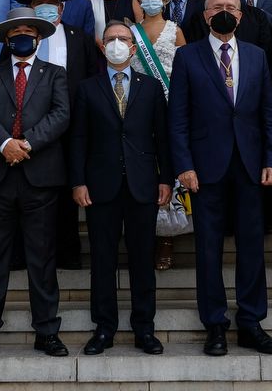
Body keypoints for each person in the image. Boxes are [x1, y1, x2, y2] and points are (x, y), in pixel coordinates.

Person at [169, 0, 272, 357]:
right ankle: (215, 324)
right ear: (205, 16)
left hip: (250, 165)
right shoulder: (187, 57)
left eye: (230, 7)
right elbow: (178, 118)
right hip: (204, 168)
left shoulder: (256, 55)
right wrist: (183, 165)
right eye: (217, 7)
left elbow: (268, 112)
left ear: (240, 15)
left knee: (252, 247)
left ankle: (251, 322)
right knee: (208, 249)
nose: (224, 12)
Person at [0, 7, 71, 358]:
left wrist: (26, 143)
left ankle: (46, 331)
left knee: (41, 257)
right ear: (7, 39)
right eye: (16, 33)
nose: (22, 37)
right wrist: (4, 144)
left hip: (39, 177)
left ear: (38, 38)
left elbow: (61, 114)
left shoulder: (55, 74)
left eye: (28, 32)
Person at [69, 21, 173, 356]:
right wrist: (78, 181)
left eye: (123, 39)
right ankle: (104, 328)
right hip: (101, 186)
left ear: (133, 47)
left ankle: (145, 328)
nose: (117, 43)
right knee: (102, 260)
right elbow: (79, 139)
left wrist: (165, 179)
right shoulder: (87, 88)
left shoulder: (151, 87)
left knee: (142, 260)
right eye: (111, 38)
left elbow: (163, 138)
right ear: (104, 46)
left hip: (142, 185)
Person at [10, 0, 99, 270]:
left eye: (52, 4)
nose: (46, 9)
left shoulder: (80, 38)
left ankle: (68, 253)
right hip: (25, 130)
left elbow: (89, 80)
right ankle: (21, 253)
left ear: (61, 9)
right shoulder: (19, 40)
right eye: (39, 5)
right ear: (32, 9)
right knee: (25, 191)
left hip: (69, 125)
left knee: (67, 190)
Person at [130, 0, 187, 270]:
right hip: (137, 107)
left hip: (168, 105)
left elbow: (185, 70)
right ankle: (141, 232)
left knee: (168, 168)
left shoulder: (175, 31)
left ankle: (167, 235)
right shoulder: (131, 33)